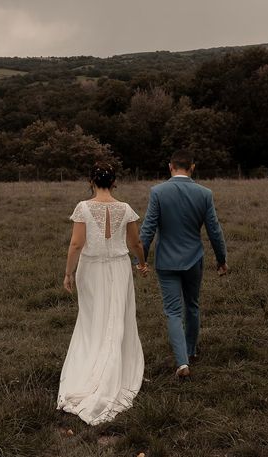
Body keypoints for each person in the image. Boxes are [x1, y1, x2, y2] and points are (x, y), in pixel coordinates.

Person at [57, 162, 148, 425]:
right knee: (118, 316)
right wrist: (141, 263)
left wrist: (68, 273)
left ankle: (91, 369)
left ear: (91, 182)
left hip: (91, 269)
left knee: (92, 319)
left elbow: (76, 243)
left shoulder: (83, 208)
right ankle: (114, 367)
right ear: (114, 182)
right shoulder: (126, 208)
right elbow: (136, 242)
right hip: (119, 267)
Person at [140, 150, 228, 378]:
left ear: (170, 167)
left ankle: (182, 363)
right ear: (192, 167)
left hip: (166, 260)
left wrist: (140, 260)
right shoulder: (204, 194)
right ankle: (191, 350)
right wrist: (221, 260)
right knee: (193, 306)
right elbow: (214, 231)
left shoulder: (158, 192)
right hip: (193, 260)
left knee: (172, 312)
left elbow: (148, 229)